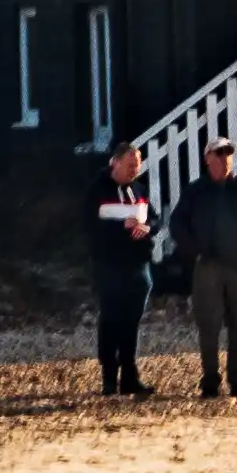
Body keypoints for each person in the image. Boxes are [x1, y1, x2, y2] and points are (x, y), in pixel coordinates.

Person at [170, 140, 237, 399]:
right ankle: (209, 380)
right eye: (219, 153)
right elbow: (176, 223)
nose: (225, 158)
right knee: (208, 326)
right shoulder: (196, 191)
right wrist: (194, 248)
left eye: (228, 153)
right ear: (207, 158)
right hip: (208, 267)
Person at [88, 146, 159, 399]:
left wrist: (147, 227)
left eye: (138, 164)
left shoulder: (139, 190)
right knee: (111, 320)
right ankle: (109, 377)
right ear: (115, 163)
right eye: (130, 164)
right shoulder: (97, 190)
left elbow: (155, 219)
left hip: (139, 266)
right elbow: (89, 227)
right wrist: (121, 227)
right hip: (110, 266)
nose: (135, 169)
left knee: (132, 322)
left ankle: (130, 377)